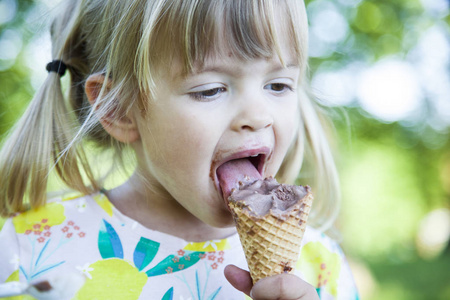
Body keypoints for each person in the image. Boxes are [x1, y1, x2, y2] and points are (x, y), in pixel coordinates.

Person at [0, 0, 359, 299]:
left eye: (279, 85)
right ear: (117, 108)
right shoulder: (31, 247)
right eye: (210, 89)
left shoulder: (320, 267)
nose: (258, 115)